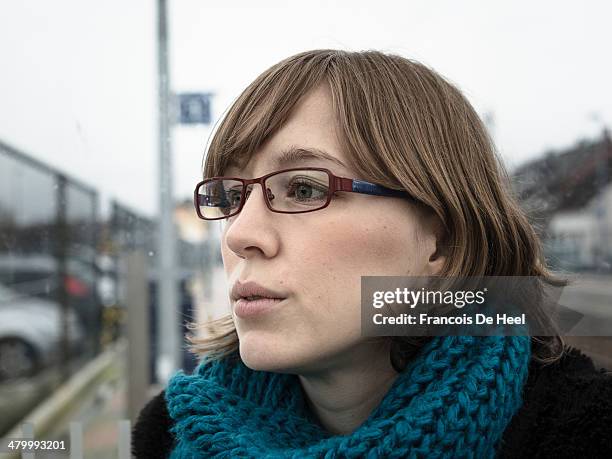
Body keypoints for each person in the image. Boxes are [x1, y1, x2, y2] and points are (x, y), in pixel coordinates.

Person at [132, 49, 612, 458]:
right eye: (232, 197)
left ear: (441, 241)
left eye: (302, 188)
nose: (240, 235)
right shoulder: (168, 435)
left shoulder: (584, 430)